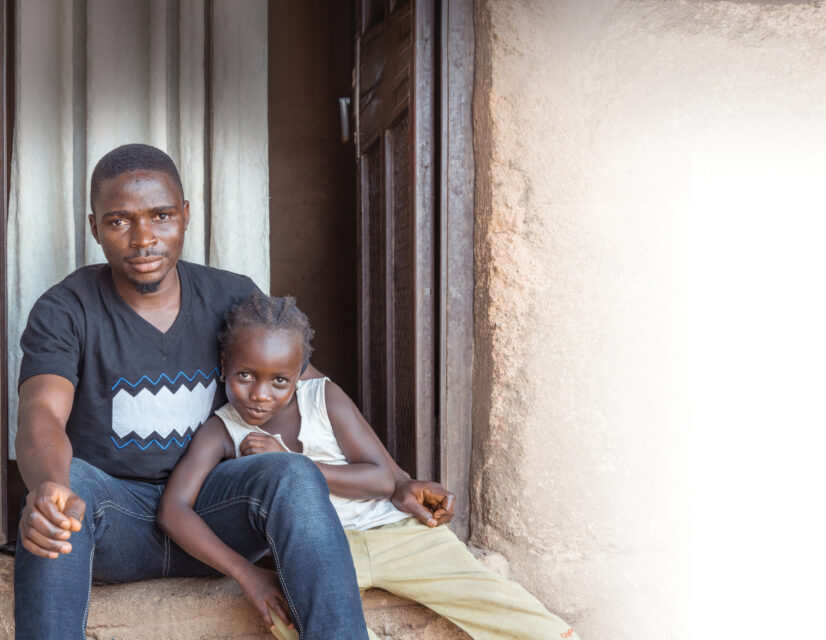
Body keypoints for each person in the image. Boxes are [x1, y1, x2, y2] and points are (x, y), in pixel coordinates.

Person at [11, 143, 447, 639]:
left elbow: (313, 385)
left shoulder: (231, 295)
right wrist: (49, 486)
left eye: (161, 216)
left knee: (290, 471)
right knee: (63, 496)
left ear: (186, 216)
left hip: (216, 512)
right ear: (94, 227)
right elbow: (41, 411)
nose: (143, 238)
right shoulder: (66, 308)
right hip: (117, 521)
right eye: (118, 221)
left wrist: (398, 480)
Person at [159, 291, 580, 640]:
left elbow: (381, 478)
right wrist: (247, 573)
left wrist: (289, 462)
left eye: (279, 380)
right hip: (315, 552)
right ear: (223, 369)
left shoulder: (323, 398)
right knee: (288, 619)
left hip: (394, 533)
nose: (260, 394)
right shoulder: (221, 431)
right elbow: (173, 510)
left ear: (299, 373)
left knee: (488, 596)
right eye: (245, 376)